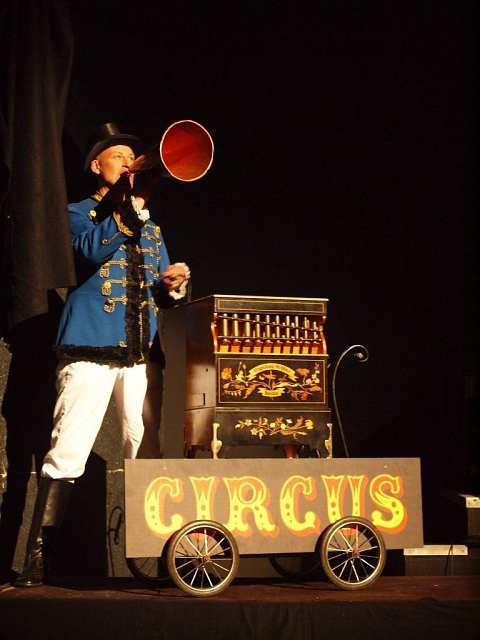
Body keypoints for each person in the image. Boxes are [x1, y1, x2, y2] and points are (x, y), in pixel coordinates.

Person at [13, 123, 190, 587]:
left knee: (144, 448)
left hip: (139, 351)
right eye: (118, 157)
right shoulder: (75, 214)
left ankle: (159, 555)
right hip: (90, 345)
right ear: (96, 165)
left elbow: (157, 289)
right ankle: (38, 557)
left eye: (133, 158)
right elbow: (89, 251)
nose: (128, 163)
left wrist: (173, 284)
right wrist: (133, 206)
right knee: (68, 451)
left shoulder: (150, 225)